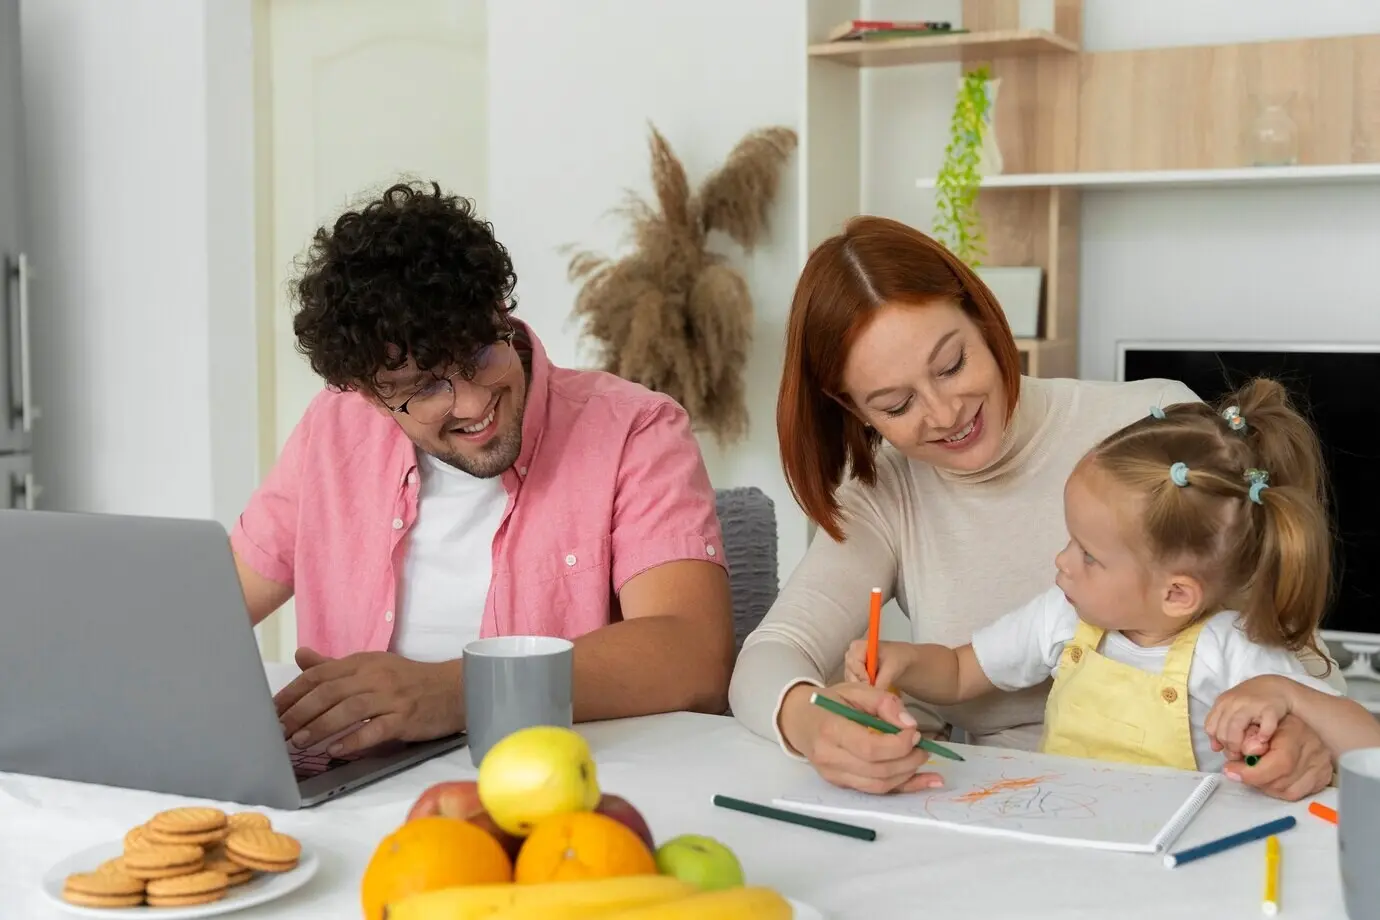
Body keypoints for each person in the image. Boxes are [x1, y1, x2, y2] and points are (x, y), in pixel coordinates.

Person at [727, 215, 1343, 802]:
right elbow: (769, 655)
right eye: (894, 404)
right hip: (999, 805)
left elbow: (1290, 656)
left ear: (985, 318)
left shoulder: (1150, 430)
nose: (944, 414)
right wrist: (812, 722)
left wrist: (1298, 737)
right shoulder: (887, 492)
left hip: (1195, 803)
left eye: (952, 364)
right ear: (853, 409)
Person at [232, 181, 735, 757]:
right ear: (369, 396)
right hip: (351, 785)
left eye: (478, 356)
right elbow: (210, 609)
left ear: (500, 310)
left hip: (557, 790)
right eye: (423, 389)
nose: (472, 405)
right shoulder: (334, 428)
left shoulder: (633, 430)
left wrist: (458, 692)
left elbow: (694, 656)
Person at [843, 379, 1380, 778]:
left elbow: (1369, 745)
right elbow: (961, 672)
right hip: (1063, 834)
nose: (1061, 561)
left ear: (1176, 594)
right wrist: (906, 662)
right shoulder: (1062, 616)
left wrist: (1286, 693)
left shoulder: (1231, 650)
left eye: (1088, 555)